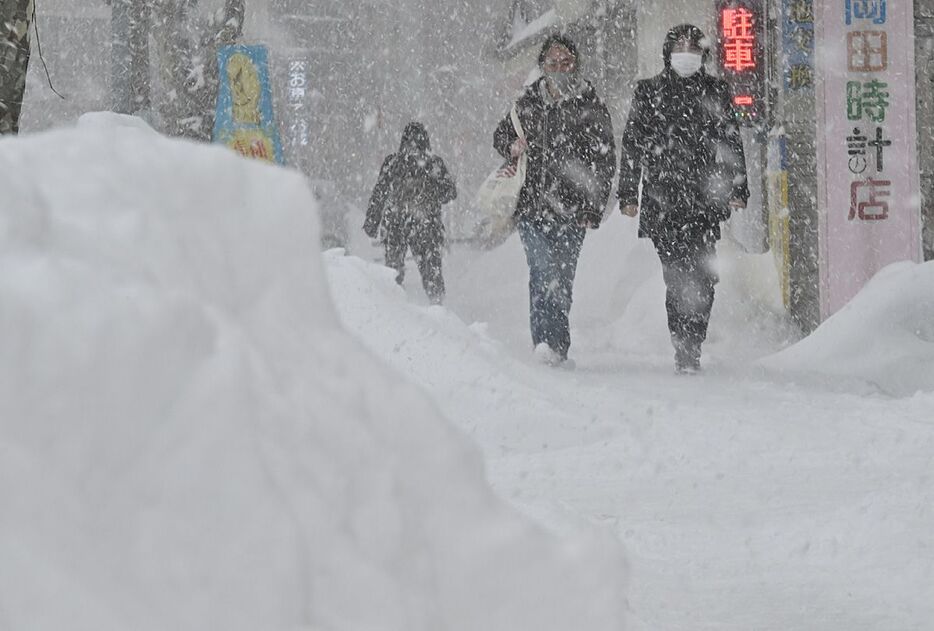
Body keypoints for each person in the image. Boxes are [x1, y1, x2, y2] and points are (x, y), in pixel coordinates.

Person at [618, 24, 749, 373]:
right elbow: (633, 144)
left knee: (704, 276)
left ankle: (694, 341)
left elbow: (731, 141)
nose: (686, 54)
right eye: (679, 47)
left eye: (694, 48)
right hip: (663, 201)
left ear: (703, 55)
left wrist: (738, 187)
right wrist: (629, 192)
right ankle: (683, 345)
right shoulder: (649, 92)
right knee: (676, 277)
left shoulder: (716, 91)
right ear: (667, 52)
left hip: (705, 200)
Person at [493, 34, 616, 366]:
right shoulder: (528, 102)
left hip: (573, 211)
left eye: (566, 62)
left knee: (561, 279)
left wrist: (594, 205)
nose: (560, 68)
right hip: (532, 207)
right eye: (553, 63)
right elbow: (501, 135)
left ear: (575, 65)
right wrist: (512, 147)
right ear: (542, 67)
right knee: (542, 269)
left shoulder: (590, 104)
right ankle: (542, 345)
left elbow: (604, 159)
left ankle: (557, 346)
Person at [364, 122, 457, 304]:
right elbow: (450, 193)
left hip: (396, 223)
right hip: (426, 224)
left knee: (393, 270)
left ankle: (394, 305)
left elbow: (379, 193)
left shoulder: (393, 162)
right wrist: (433, 188)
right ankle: (437, 305)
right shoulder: (434, 164)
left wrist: (372, 222)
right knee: (431, 268)